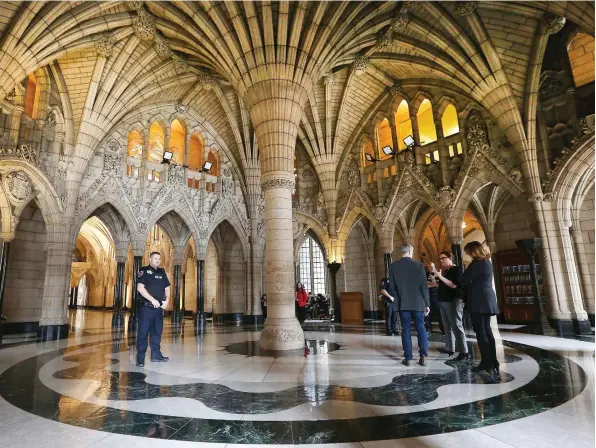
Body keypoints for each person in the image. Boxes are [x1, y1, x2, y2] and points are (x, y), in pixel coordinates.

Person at [460, 241, 500, 373]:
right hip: (487, 298)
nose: (467, 254)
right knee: (487, 330)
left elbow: (464, 280)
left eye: (468, 252)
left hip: (478, 299)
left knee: (481, 331)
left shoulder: (477, 264)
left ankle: (486, 362)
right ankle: (493, 360)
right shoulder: (486, 262)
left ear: (473, 251)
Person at [388, 244, 430, 366]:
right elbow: (424, 287)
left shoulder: (394, 266)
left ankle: (408, 358)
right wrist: (427, 303)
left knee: (405, 330)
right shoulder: (419, 266)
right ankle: (423, 356)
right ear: (411, 251)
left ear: (401, 252)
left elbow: (391, 287)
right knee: (421, 328)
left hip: (402, 303)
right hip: (418, 303)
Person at [431, 251, 469, 361]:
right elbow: (439, 284)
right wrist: (435, 277)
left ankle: (464, 351)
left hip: (453, 301)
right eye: (440, 258)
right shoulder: (447, 271)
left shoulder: (456, 269)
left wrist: (439, 275)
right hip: (443, 301)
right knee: (446, 326)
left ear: (450, 258)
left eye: (443, 258)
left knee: (456, 325)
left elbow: (452, 285)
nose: (441, 260)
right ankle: (450, 347)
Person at [136, 252, 171, 367]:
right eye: (155, 258)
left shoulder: (161, 272)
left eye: (159, 259)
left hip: (159, 309)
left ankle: (156, 355)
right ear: (150, 259)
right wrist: (152, 300)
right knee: (143, 332)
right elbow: (140, 288)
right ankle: (140, 358)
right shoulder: (144, 270)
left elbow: (167, 288)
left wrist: (166, 301)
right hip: (146, 308)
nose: (158, 261)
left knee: (157, 332)